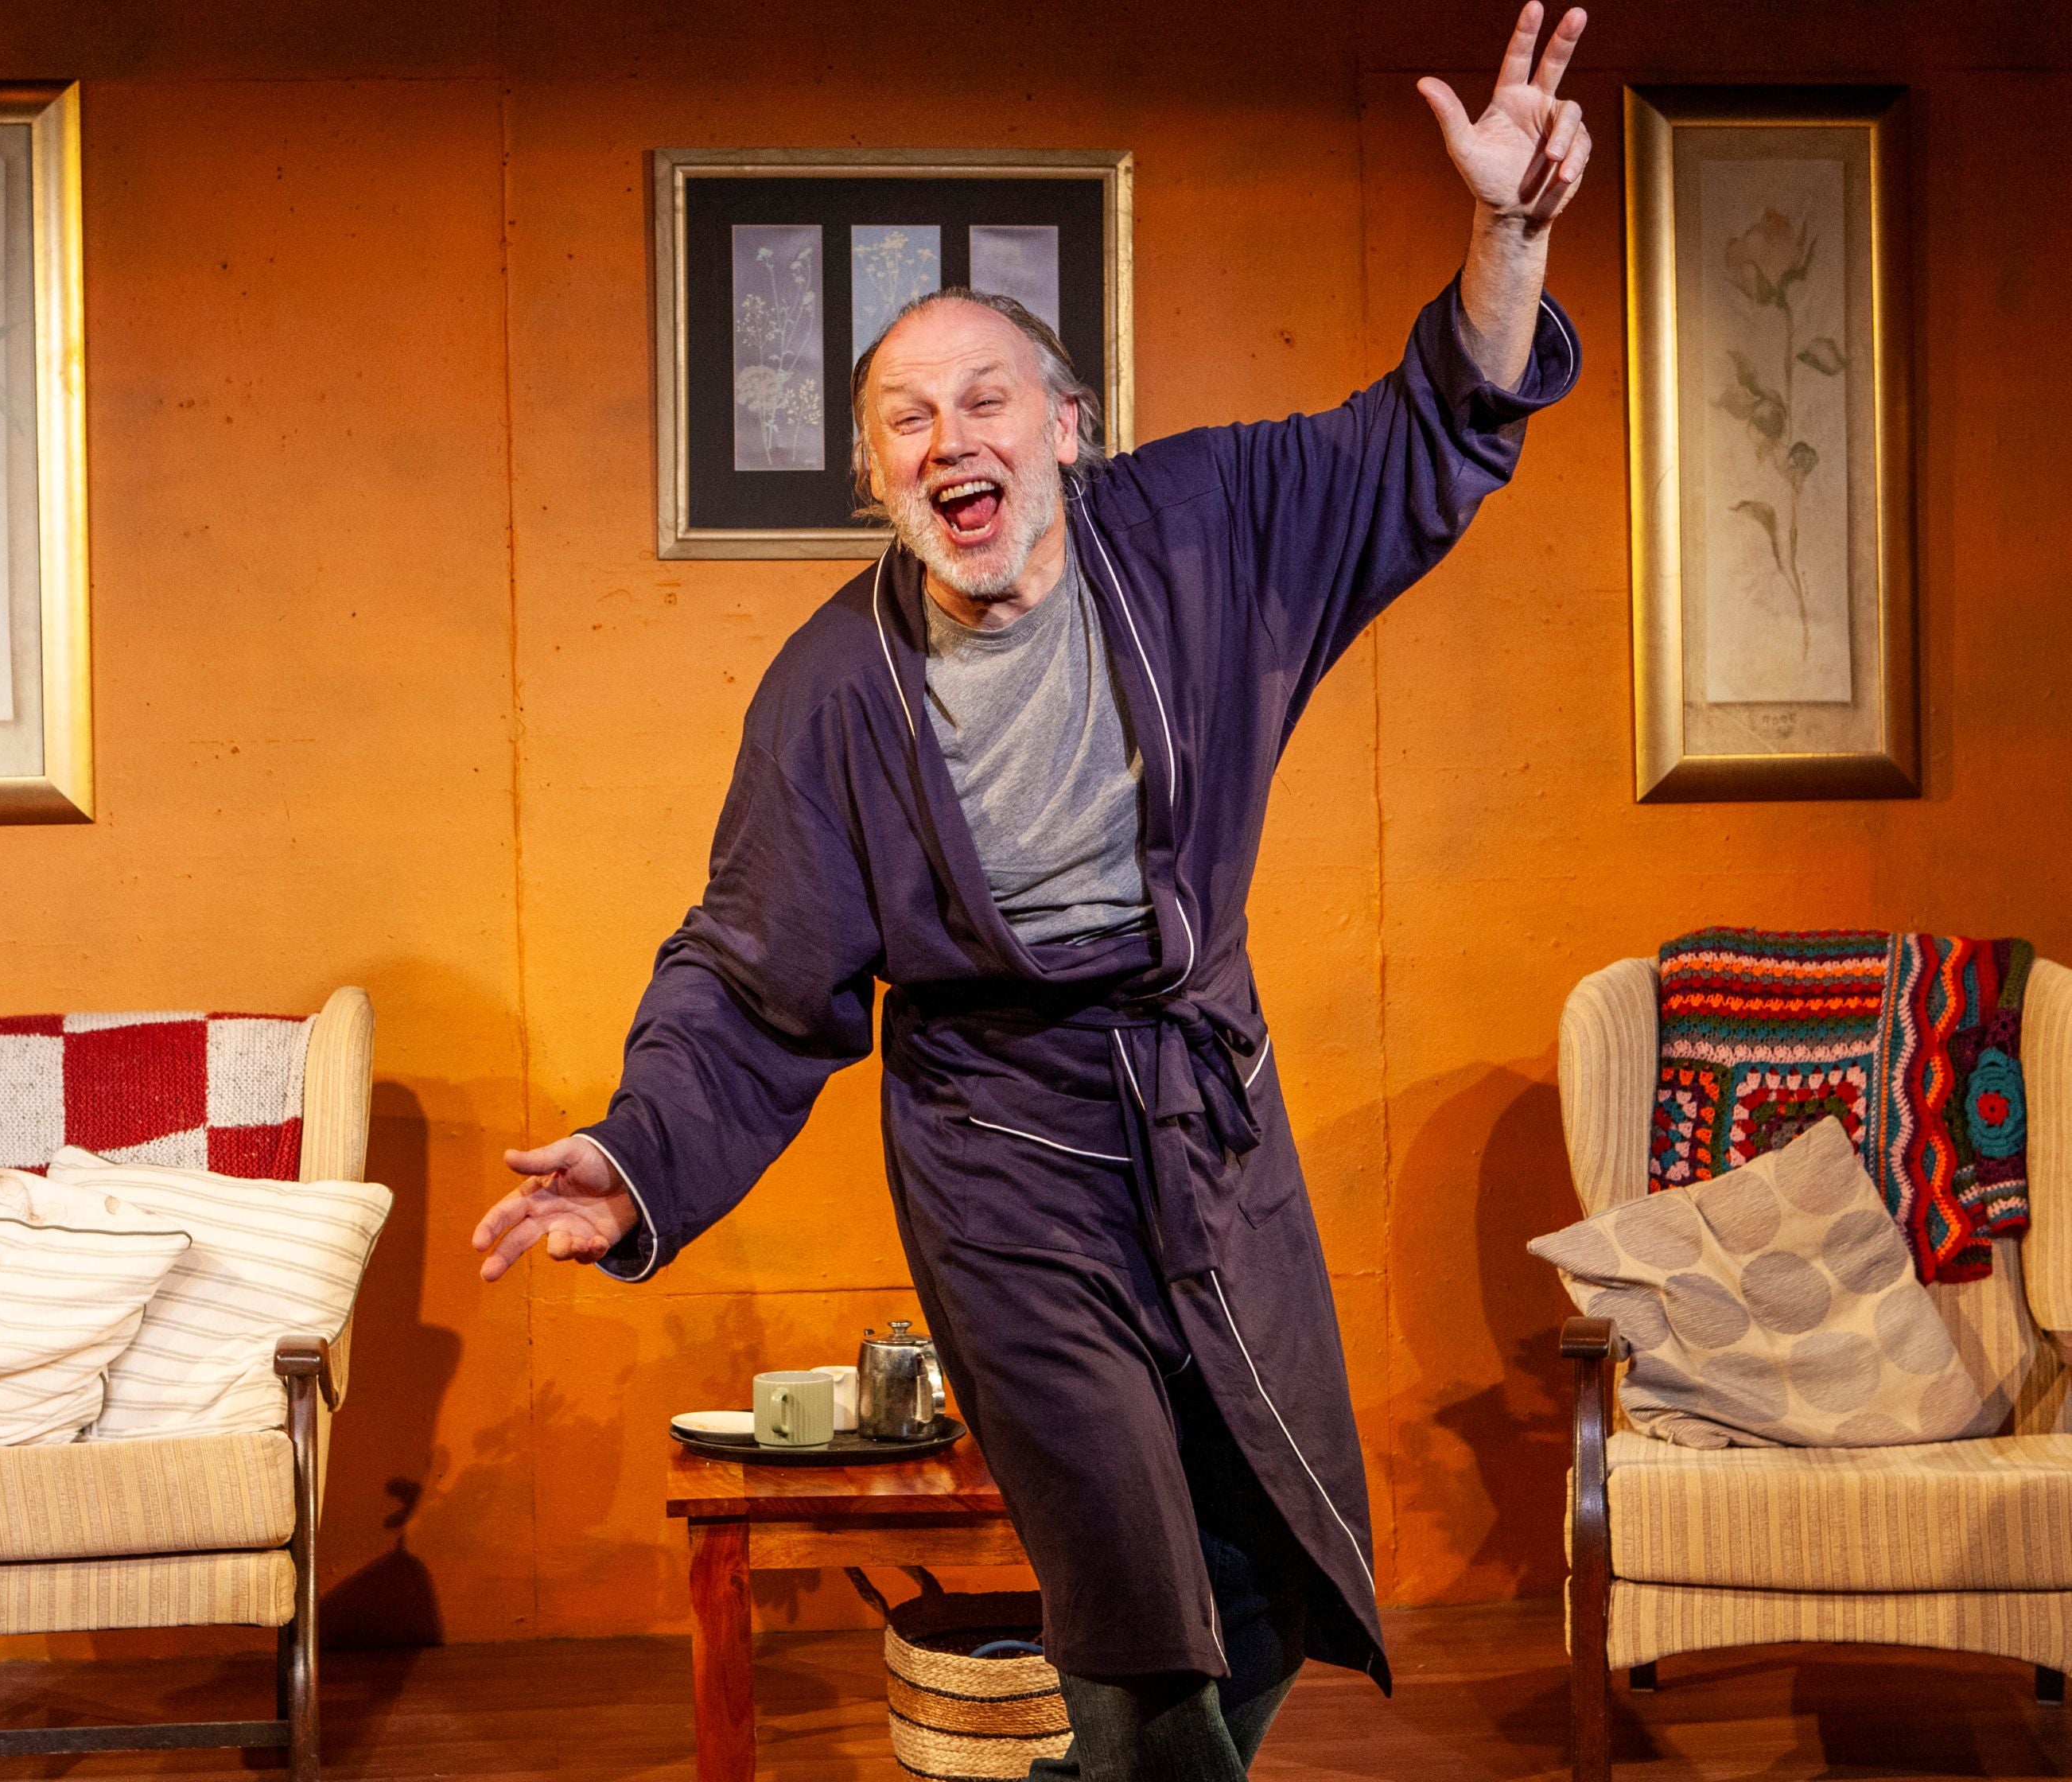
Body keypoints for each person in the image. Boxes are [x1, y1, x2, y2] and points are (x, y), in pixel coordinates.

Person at [473, 7, 1591, 1775]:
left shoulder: (1211, 525)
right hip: (1000, 1164)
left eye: (985, 396)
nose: (949, 437)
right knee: (1134, 1600)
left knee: (1272, 1556)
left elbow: (1423, 438)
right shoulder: (833, 691)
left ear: (1069, 425)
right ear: (876, 482)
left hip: (1207, 1110)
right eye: (906, 419)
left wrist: (1510, 233)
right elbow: (756, 976)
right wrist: (633, 1156)